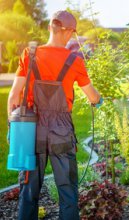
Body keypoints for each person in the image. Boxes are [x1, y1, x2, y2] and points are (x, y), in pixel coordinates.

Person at [7, 10, 101, 220]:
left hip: (32, 132)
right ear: (69, 33)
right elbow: (92, 97)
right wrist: (99, 100)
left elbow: (13, 96)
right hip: (62, 132)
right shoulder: (75, 60)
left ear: (50, 27)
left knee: (28, 192)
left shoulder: (29, 54)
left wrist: (13, 129)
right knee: (67, 193)